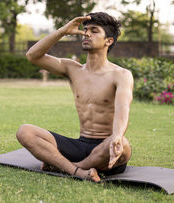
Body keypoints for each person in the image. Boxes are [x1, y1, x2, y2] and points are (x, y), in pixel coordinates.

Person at [16, 12, 133, 182]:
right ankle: (77, 171)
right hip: (80, 143)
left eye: (94, 31)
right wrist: (63, 31)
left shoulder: (121, 75)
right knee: (25, 131)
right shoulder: (73, 69)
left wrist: (117, 136)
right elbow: (32, 56)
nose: (86, 33)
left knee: (125, 145)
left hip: (107, 148)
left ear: (109, 40)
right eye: (85, 29)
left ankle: (67, 166)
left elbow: (123, 107)